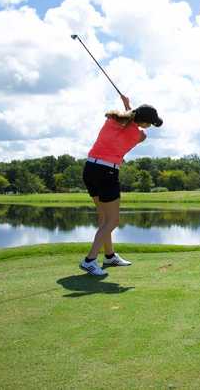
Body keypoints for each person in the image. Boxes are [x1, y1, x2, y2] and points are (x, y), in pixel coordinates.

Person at [80, 94, 163, 276]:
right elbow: (138, 129)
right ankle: (89, 260)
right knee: (113, 221)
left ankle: (109, 256)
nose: (149, 126)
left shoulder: (111, 120)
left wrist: (127, 106)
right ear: (144, 122)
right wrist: (128, 106)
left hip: (90, 169)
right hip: (106, 173)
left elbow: (127, 118)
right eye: (150, 123)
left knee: (104, 217)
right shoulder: (139, 135)